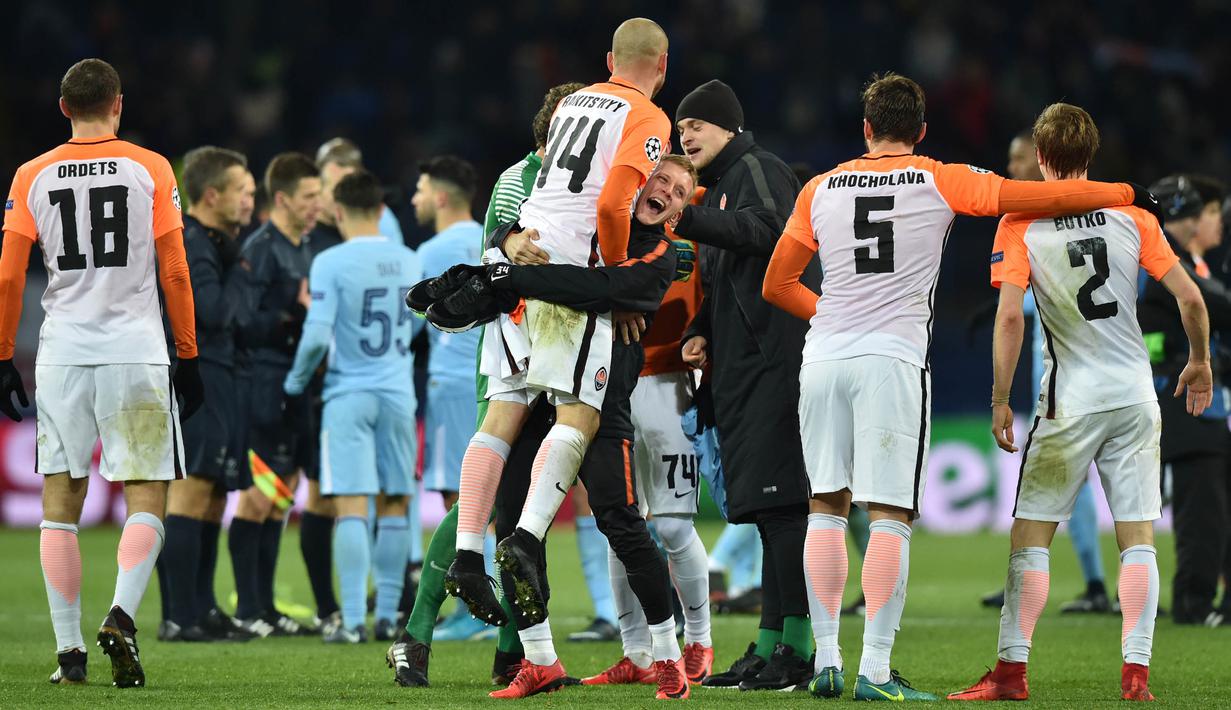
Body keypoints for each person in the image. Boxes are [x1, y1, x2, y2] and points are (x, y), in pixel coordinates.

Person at [762, 73, 1155, 701]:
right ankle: (874, 671)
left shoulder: (819, 188)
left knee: (826, 506)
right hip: (891, 359)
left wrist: (836, 318)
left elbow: (777, 284)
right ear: (921, 130)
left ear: (866, 129)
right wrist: (1128, 193)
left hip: (825, 356)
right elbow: (1041, 197)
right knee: (889, 513)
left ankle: (826, 662)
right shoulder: (938, 177)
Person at [441, 18, 685, 700]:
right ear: (662, 65)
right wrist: (613, 273)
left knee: (502, 416)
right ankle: (521, 540)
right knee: (576, 420)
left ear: (609, 59)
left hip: (522, 271)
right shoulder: (647, 116)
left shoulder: (576, 102)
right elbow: (611, 201)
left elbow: (538, 194)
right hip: (573, 278)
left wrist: (509, 243)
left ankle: (469, 554)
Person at [948, 102, 1211, 702]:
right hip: (1134, 396)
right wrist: (1199, 361)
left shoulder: (1020, 222)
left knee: (1030, 537)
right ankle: (1136, 675)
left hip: (1070, 401)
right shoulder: (1133, 216)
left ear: (1041, 158)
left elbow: (1010, 317)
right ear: (1091, 154)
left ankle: (1011, 673)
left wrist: (999, 398)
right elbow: (1191, 300)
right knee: (1138, 537)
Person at [0, 58, 203, 687]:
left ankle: (69, 654)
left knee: (60, 499)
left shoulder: (31, 173)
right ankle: (120, 615)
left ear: (64, 107)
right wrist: (189, 352)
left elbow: (8, 275)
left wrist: (3, 354)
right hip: (134, 349)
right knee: (147, 491)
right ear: (118, 103)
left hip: (62, 351)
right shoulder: (151, 167)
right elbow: (175, 269)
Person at [670, 79, 814, 691]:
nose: (686, 135)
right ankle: (770, 642)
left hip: (774, 362)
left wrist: (687, 216)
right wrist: (701, 329)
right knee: (766, 511)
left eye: (696, 125)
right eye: (681, 128)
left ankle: (799, 650)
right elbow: (731, 279)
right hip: (740, 366)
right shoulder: (725, 184)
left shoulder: (758, 169)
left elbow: (772, 232)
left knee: (784, 509)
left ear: (728, 126)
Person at [283, 169, 421, 643]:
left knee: (350, 504)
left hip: (348, 393)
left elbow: (316, 335)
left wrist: (295, 382)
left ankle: (354, 621)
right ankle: (389, 616)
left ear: (337, 211)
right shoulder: (410, 260)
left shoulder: (329, 261)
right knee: (395, 501)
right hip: (398, 392)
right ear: (381, 210)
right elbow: (421, 321)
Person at [980, 130, 1114, 615]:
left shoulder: (1030, 226)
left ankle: (1075, 585)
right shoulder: (1105, 217)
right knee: (1101, 497)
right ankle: (1108, 591)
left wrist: (999, 395)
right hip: (1112, 380)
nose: (1012, 168)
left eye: (1019, 159)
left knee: (1049, 490)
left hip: (1065, 385)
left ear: (1042, 162)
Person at [159, 146, 257, 643]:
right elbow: (213, 313)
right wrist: (243, 271)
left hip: (224, 376)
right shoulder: (194, 242)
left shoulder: (215, 242)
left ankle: (203, 607)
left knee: (215, 495)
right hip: (200, 378)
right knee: (192, 490)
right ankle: (178, 615)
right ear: (212, 195)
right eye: (242, 191)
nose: (250, 201)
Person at [230, 152, 322, 636]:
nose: (317, 204)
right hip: (264, 383)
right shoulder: (262, 248)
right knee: (257, 498)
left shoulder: (303, 247)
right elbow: (243, 322)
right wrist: (295, 314)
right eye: (309, 196)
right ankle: (248, 608)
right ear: (282, 199)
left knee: (281, 498)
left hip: (296, 384)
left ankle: (265, 608)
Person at [1140, 175, 1231, 628]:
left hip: (1193, 399)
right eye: (1202, 211)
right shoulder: (1162, 262)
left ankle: (1201, 598)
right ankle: (1193, 602)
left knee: (1208, 503)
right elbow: (1213, 305)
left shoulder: (1184, 263)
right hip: (1181, 400)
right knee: (1200, 506)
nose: (1208, 221)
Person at [410, 154, 495, 642]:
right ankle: (494, 606)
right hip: (489, 378)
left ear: (441, 197)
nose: (415, 199)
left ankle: (473, 611)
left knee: (459, 497)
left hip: (449, 380)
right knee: (488, 494)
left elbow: (410, 322)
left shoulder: (431, 251)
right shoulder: (489, 236)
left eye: (421, 190)